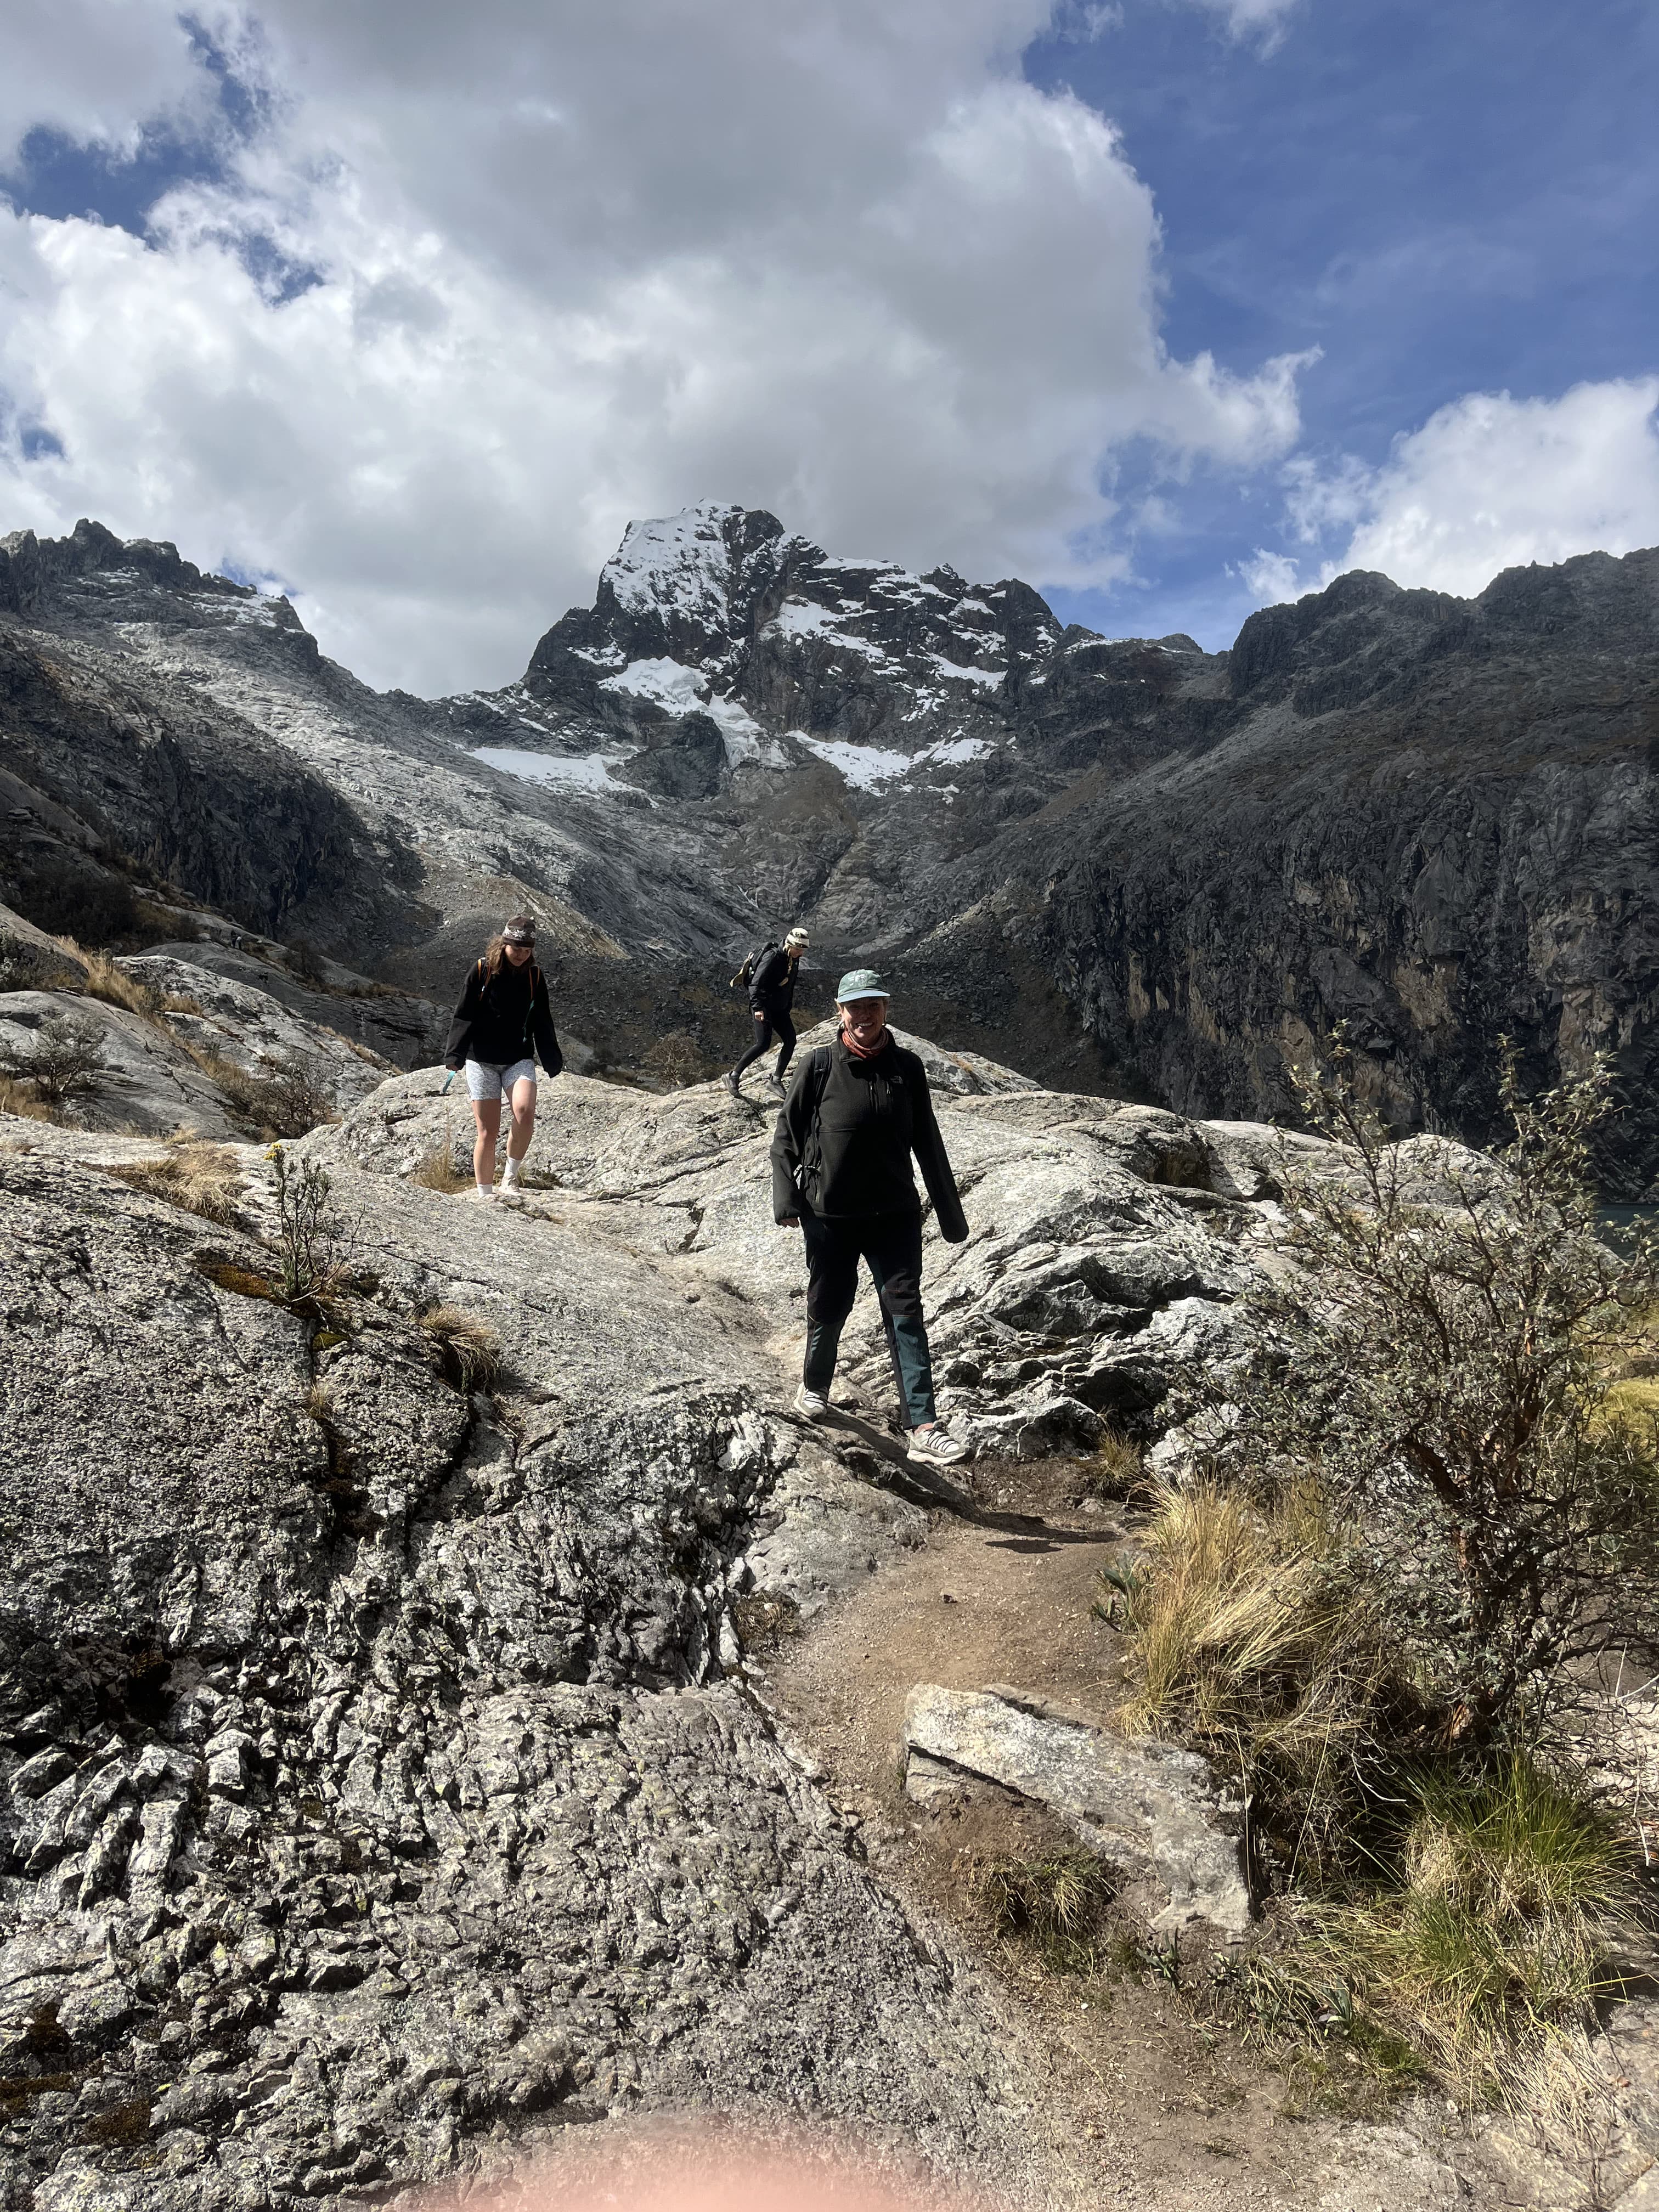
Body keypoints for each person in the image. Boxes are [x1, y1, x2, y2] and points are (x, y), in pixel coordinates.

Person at [770, 969, 970, 1468]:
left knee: (905, 1310)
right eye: (855, 1007)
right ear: (840, 1012)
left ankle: (922, 1425)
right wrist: (787, 1199)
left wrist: (951, 1216)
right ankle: (815, 1385)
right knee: (829, 1301)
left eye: (873, 1005)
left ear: (886, 1008)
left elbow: (927, 1140)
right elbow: (787, 1135)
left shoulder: (907, 1067)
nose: (865, 1015)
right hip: (831, 1215)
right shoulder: (819, 1065)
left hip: (894, 1216)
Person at [442, 913, 563, 1203]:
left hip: (518, 1058)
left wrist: (551, 1059)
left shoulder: (534, 976)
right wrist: (455, 1054)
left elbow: (542, 1019)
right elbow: (464, 1014)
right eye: (516, 948)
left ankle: (510, 1178)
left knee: (524, 1111)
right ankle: (485, 1195)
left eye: (527, 950)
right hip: (481, 1060)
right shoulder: (482, 970)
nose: (521, 955)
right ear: (504, 945)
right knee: (488, 1131)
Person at [728, 927, 809, 1096]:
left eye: (802, 950)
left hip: (780, 1008)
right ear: (790, 945)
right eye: (798, 949)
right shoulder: (772, 957)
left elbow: (790, 985)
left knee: (790, 1041)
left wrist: (787, 1006)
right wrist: (757, 1008)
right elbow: (755, 984)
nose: (801, 953)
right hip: (763, 1006)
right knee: (763, 1043)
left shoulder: (793, 959)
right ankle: (733, 1076)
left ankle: (776, 1081)